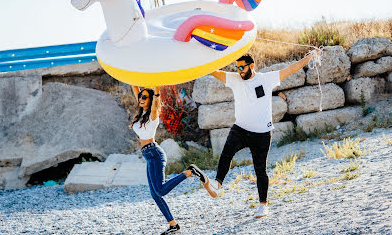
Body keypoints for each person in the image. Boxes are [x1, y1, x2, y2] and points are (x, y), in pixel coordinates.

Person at [203, 50, 320, 218]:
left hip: (262, 133)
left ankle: (263, 205)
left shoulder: (266, 79)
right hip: (240, 129)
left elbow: (291, 69)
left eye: (242, 67)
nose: (239, 71)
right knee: (226, 153)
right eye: (237, 68)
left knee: (260, 170)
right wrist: (200, 63)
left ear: (252, 66)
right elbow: (215, 72)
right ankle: (217, 184)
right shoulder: (235, 80)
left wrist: (309, 57)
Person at [131, 85, 208, 234]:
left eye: (145, 97)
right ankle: (173, 226)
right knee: (155, 194)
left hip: (154, 154)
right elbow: (135, 89)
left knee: (160, 190)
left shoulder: (152, 115)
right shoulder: (141, 113)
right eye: (140, 97)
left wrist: (157, 89)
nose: (141, 99)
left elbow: (156, 103)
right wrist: (129, 75)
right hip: (149, 156)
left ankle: (189, 172)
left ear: (151, 100)